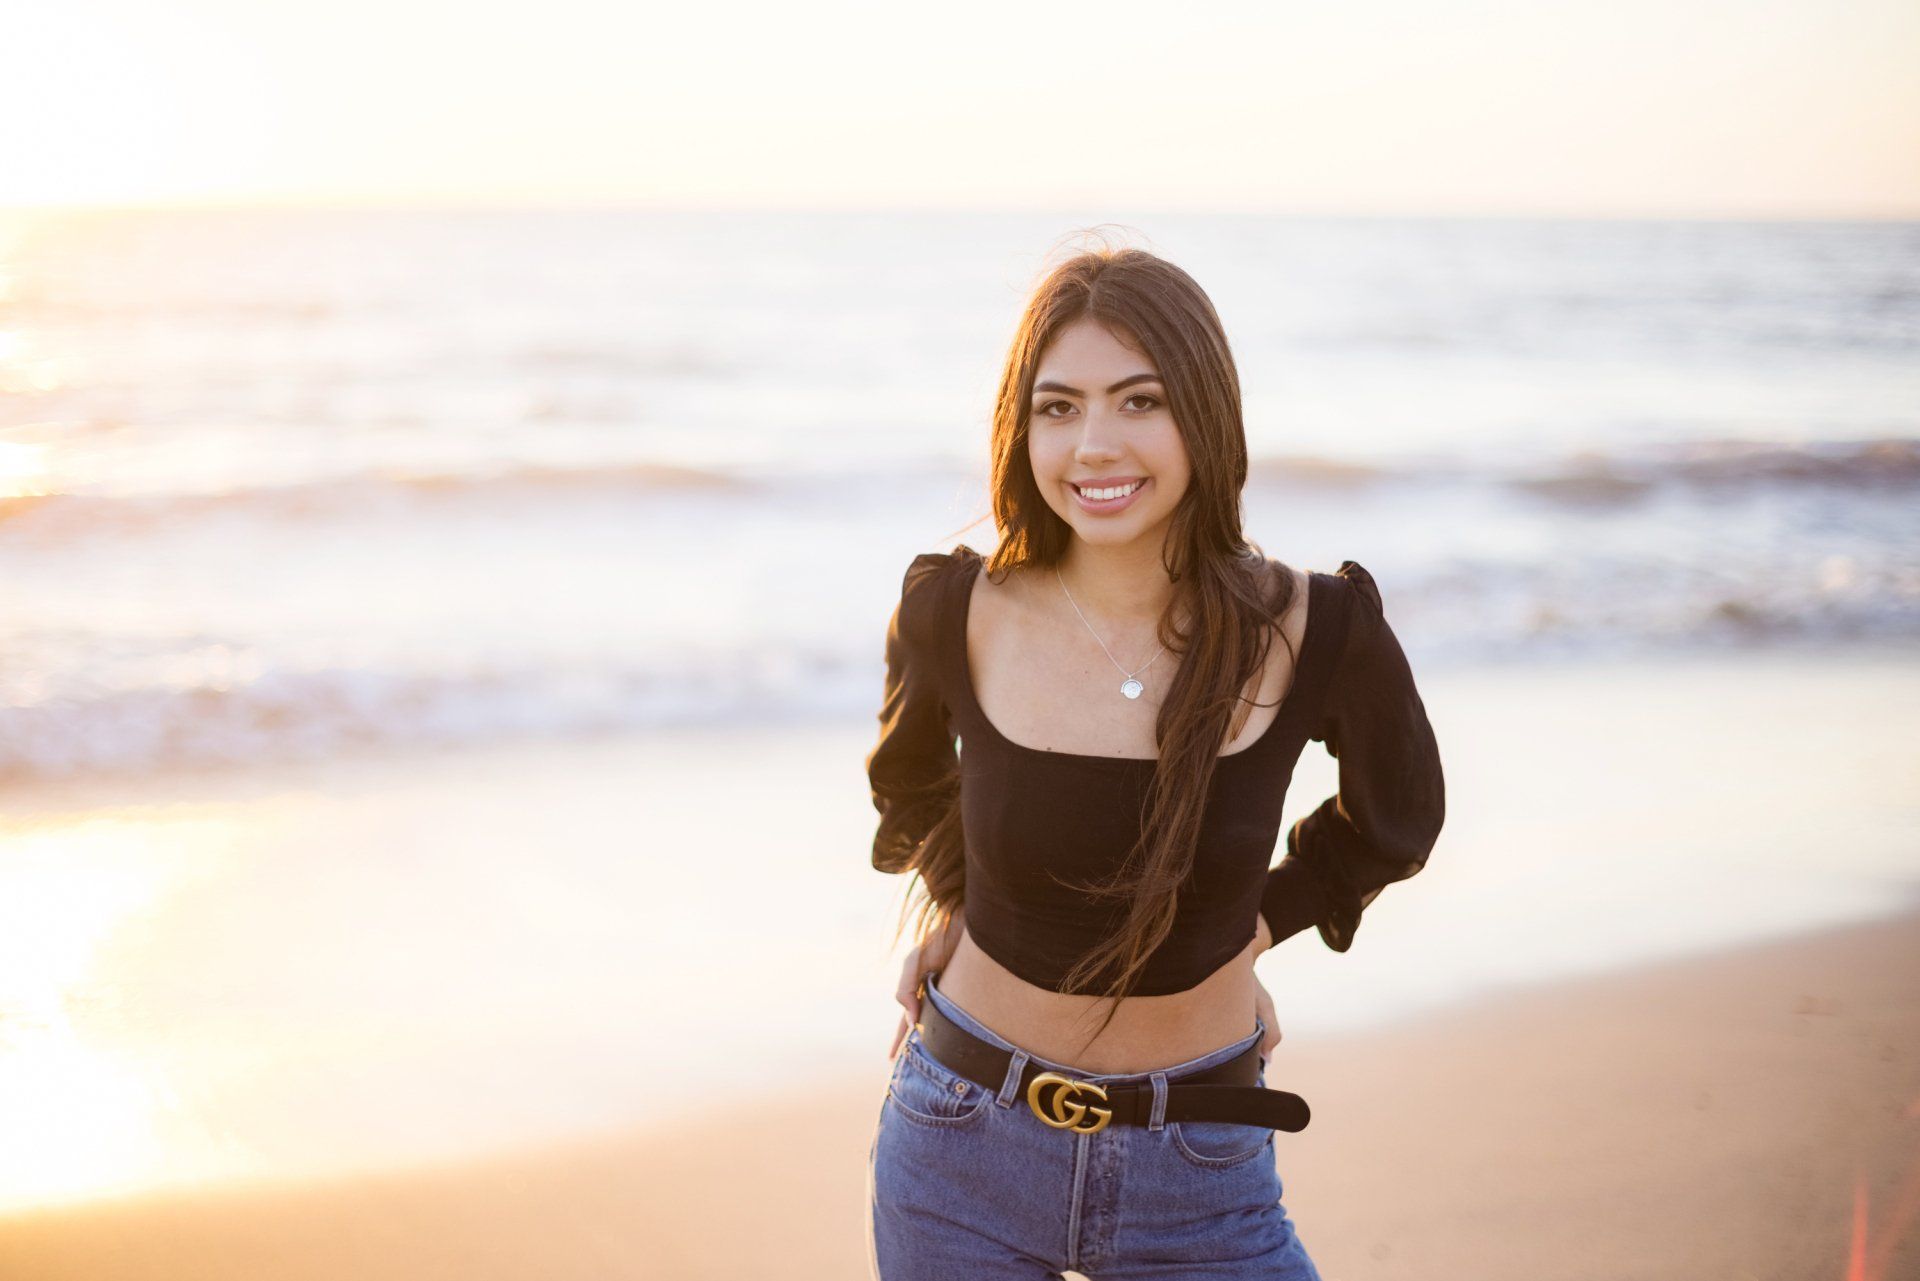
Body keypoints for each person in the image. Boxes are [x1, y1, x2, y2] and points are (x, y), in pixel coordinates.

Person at [863, 239, 1446, 1279]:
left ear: (1204, 414)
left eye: (1140, 402)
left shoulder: (1313, 627)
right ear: (1021, 424)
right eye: (1059, 407)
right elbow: (910, 786)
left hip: (1202, 1170)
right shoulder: (956, 611)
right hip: (960, 1148)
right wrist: (969, 901)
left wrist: (1252, 925)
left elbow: (1396, 816)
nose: (1095, 444)